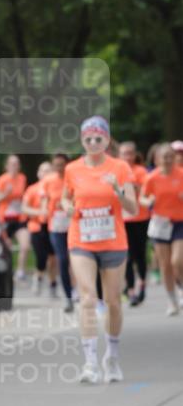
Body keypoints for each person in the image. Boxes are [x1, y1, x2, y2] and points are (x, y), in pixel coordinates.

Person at [60, 116, 137, 384]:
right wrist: (66, 207)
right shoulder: (72, 169)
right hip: (82, 240)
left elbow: (133, 209)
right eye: (88, 138)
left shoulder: (121, 168)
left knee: (114, 302)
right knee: (88, 299)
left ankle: (112, 357)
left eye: (98, 138)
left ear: (106, 139)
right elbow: (65, 198)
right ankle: (90, 362)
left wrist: (118, 191)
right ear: (82, 140)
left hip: (114, 241)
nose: (93, 142)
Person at [140, 143, 183, 316]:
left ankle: (181, 288)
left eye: (170, 156)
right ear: (157, 159)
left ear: (175, 158)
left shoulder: (181, 174)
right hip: (160, 224)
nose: (167, 160)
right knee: (165, 265)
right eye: (163, 157)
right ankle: (172, 300)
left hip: (179, 222)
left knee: (176, 261)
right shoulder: (152, 177)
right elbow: (141, 197)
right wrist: (148, 201)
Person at [118, 141, 150, 306]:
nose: (127, 156)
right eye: (124, 153)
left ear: (135, 154)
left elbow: (146, 189)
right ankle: (130, 290)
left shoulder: (141, 171)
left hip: (140, 218)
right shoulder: (116, 171)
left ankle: (142, 283)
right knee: (127, 256)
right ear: (120, 155)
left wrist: (133, 187)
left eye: (130, 153)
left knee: (140, 254)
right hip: (123, 220)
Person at [41, 153, 74, 312]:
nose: (59, 168)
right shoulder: (48, 181)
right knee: (62, 259)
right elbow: (44, 201)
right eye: (56, 165)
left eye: (62, 164)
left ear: (68, 164)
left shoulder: (73, 178)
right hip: (56, 225)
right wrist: (44, 210)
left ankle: (79, 291)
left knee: (76, 259)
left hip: (74, 223)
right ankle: (68, 297)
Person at [22, 162, 57, 296]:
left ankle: (53, 284)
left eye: (49, 171)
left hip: (53, 227)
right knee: (41, 257)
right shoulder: (32, 189)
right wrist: (40, 212)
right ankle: (38, 278)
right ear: (38, 173)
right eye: (43, 171)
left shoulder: (56, 188)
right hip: (36, 227)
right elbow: (24, 208)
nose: (46, 173)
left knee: (53, 258)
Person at [0, 155, 29, 281]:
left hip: (19, 218)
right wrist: (6, 194)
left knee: (25, 245)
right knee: (6, 248)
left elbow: (23, 196)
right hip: (4, 218)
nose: (15, 166)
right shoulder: (2, 179)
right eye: (12, 163)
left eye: (17, 163)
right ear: (7, 166)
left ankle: (20, 272)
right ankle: (7, 272)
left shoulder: (22, 178)